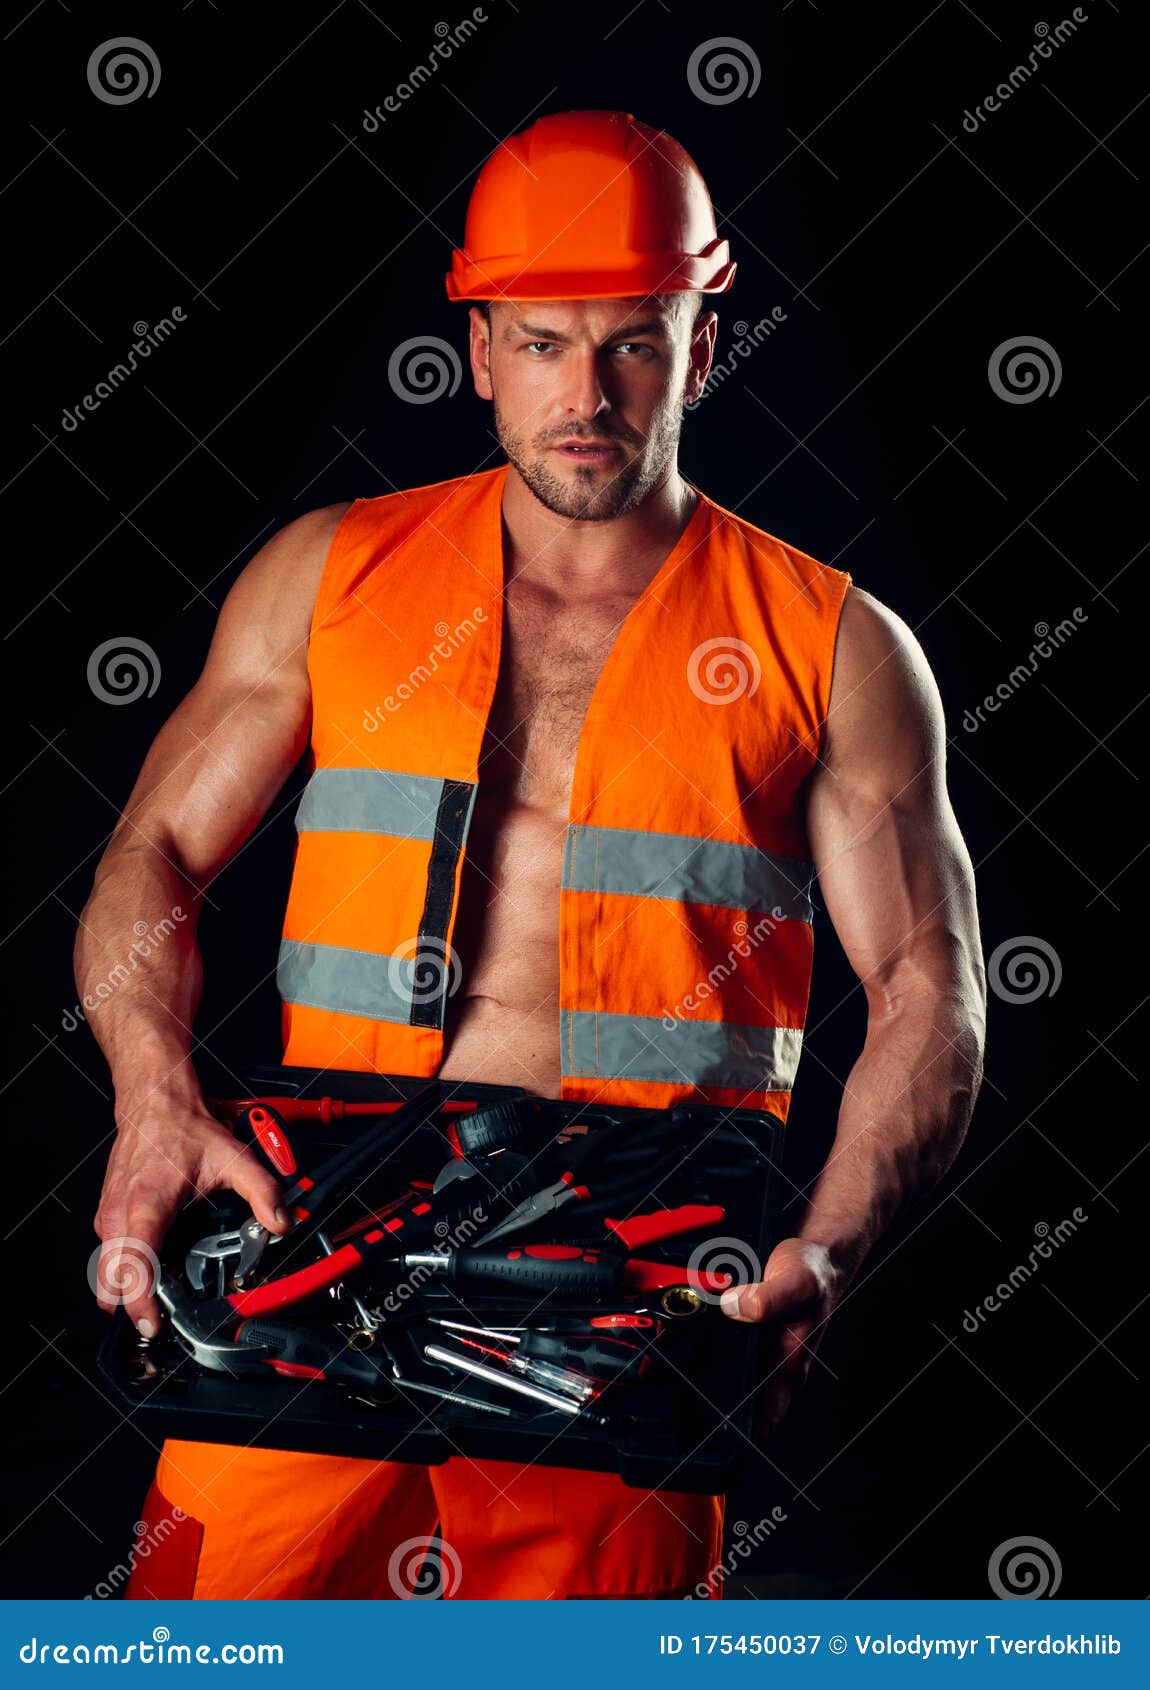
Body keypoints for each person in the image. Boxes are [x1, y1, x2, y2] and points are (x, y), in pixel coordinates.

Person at [77, 109, 986, 1599]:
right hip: (317, 1244)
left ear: (701, 343)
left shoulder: (831, 646)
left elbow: (925, 986)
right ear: (481, 345)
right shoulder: (327, 576)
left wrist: (826, 1244)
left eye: (633, 341)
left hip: (629, 1293)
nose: (589, 392)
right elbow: (151, 852)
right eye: (544, 341)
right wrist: (153, 1097)